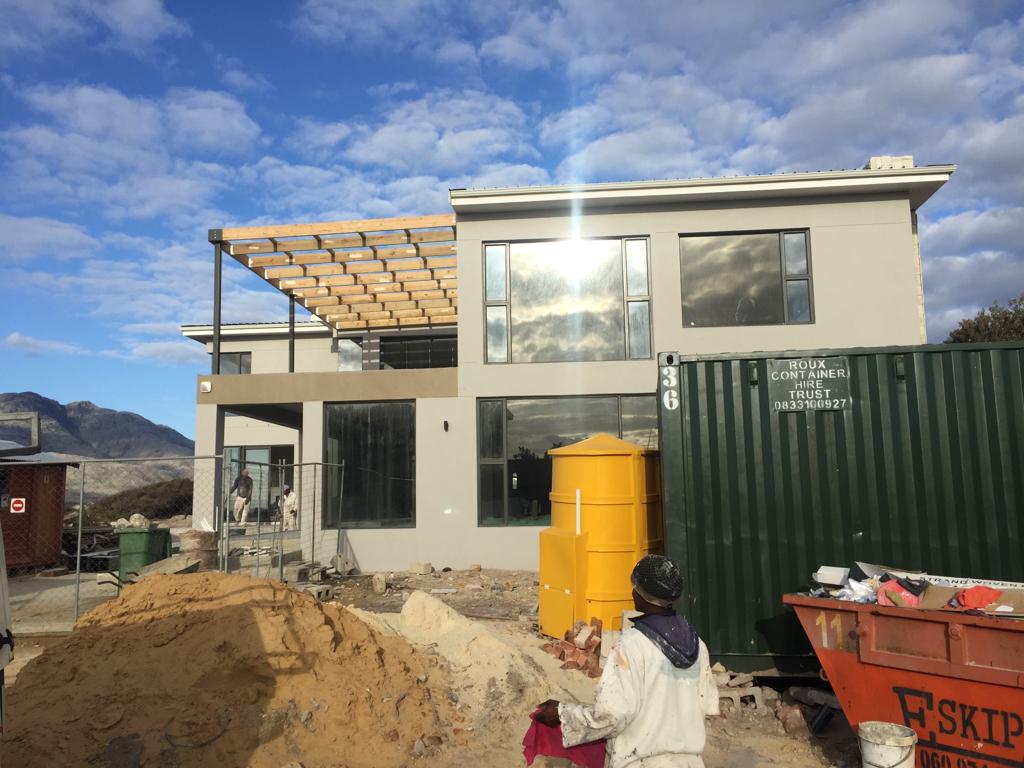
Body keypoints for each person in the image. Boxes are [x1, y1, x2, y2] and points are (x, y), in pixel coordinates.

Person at [535, 555, 719, 768]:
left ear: (637, 594)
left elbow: (612, 715)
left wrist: (562, 713)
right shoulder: (698, 646)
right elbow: (704, 705)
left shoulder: (631, 644)